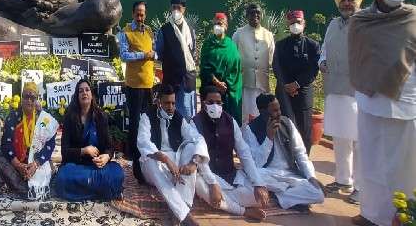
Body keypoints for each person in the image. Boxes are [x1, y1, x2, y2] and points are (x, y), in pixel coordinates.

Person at [348, 0, 416, 226]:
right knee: (372, 162)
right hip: (370, 100)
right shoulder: (361, 21)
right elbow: (357, 57)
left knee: (404, 166)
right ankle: (372, 214)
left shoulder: (413, 17)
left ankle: (404, 215)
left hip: (405, 101)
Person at [137, 84, 211, 226]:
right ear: (158, 102)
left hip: (175, 167)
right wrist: (164, 158)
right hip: (154, 167)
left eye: (173, 103)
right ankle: (184, 214)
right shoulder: (147, 116)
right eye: (167, 103)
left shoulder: (178, 117)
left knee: (190, 148)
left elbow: (197, 138)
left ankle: (177, 210)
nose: (170, 107)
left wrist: (194, 163)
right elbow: (143, 142)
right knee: (149, 160)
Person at [192, 85, 269, 221]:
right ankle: (242, 210)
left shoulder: (230, 121)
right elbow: (200, 160)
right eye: (211, 102)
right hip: (209, 176)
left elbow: (244, 153)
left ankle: (225, 201)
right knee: (199, 184)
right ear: (203, 103)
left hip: (231, 175)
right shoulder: (195, 123)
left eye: (218, 102)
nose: (215, 106)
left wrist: (258, 184)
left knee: (258, 196)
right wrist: (213, 184)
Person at [320, 0, 364, 204]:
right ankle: (343, 179)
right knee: (340, 137)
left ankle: (361, 186)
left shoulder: (364, 23)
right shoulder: (333, 24)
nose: (346, 3)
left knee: (358, 139)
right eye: (343, 0)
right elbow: (324, 49)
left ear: (358, 2)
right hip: (335, 88)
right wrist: (322, 61)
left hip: (357, 90)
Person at [242, 94, 325, 210]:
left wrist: (311, 177)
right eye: (274, 111)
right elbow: (256, 164)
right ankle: (292, 197)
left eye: (279, 109)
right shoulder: (250, 129)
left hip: (288, 174)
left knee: (318, 194)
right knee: (250, 177)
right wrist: (269, 138)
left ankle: (276, 197)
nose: (279, 113)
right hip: (267, 173)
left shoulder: (287, 123)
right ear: (263, 112)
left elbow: (301, 154)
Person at [53, 79, 124, 201]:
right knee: (62, 178)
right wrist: (84, 150)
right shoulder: (70, 117)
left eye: (87, 90)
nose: (84, 93)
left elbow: (109, 146)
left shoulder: (101, 117)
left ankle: (84, 189)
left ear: (92, 95)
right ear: (77, 96)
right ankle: (104, 191)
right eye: (80, 91)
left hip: (97, 167)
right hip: (77, 166)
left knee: (118, 172)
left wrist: (106, 157)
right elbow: (65, 151)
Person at [0, 82, 58, 200]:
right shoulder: (13, 116)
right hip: (17, 164)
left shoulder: (43, 119)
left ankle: (19, 189)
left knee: (49, 167)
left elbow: (50, 145)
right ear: (21, 98)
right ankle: (28, 190)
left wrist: (36, 164)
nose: (29, 101)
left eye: (32, 98)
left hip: (36, 164)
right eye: (26, 97)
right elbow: (6, 144)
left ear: (37, 100)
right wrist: (18, 165)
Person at [117, 0, 156, 183]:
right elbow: (123, 55)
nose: (141, 17)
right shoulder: (126, 32)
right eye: (138, 13)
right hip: (134, 85)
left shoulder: (148, 31)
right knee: (134, 120)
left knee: (148, 119)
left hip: (149, 83)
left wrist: (153, 55)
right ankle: (132, 152)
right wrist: (143, 55)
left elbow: (153, 52)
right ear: (133, 14)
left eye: (143, 13)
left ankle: (145, 149)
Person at [272, 10, 320, 153]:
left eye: (298, 22)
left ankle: (304, 161)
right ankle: (286, 160)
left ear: (304, 24)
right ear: (288, 24)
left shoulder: (313, 45)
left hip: (304, 92)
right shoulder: (280, 45)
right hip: (284, 92)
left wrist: (297, 84)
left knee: (304, 129)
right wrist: (286, 85)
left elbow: (313, 70)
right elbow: (276, 66)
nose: (295, 25)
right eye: (292, 23)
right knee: (284, 126)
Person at [155, 0, 197, 119]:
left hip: (188, 78)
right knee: (171, 111)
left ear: (184, 9)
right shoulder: (164, 30)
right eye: (173, 8)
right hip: (171, 78)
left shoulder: (190, 30)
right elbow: (159, 53)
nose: (176, 11)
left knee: (187, 112)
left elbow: (193, 52)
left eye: (179, 8)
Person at [232, 4, 275, 124]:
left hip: (262, 83)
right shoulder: (238, 34)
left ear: (261, 15)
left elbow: (271, 57)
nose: (255, 15)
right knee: (245, 116)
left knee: (262, 114)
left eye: (258, 13)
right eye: (251, 13)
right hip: (245, 82)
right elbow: (232, 57)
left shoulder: (268, 35)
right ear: (246, 15)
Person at [200, 12, 243, 124]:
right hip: (211, 89)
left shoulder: (231, 45)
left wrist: (226, 85)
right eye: (216, 24)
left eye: (221, 24)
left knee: (229, 123)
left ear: (226, 26)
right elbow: (204, 67)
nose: (218, 26)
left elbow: (236, 67)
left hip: (229, 90)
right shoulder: (208, 44)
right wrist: (217, 83)